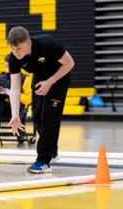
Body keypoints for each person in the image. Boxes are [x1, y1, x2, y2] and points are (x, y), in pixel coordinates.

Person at [7, 26, 75, 173]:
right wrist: (15, 115)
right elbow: (15, 88)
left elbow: (70, 63)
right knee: (37, 116)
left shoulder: (48, 44)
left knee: (49, 117)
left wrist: (50, 82)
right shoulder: (14, 59)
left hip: (59, 77)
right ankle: (52, 149)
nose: (15, 52)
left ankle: (43, 160)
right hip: (40, 76)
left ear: (28, 43)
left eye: (18, 48)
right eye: (12, 48)